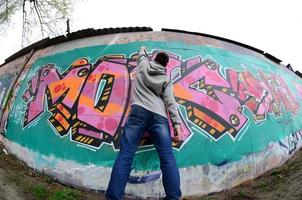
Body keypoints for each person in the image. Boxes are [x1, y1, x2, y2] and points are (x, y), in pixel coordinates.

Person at [105, 46, 182, 200]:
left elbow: (140, 55)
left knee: (126, 154)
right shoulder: (166, 80)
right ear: (166, 66)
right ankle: (174, 196)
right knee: (167, 157)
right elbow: (170, 102)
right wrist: (177, 125)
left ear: (154, 60)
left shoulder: (143, 66)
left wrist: (143, 49)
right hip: (159, 116)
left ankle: (114, 196)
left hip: (138, 111)